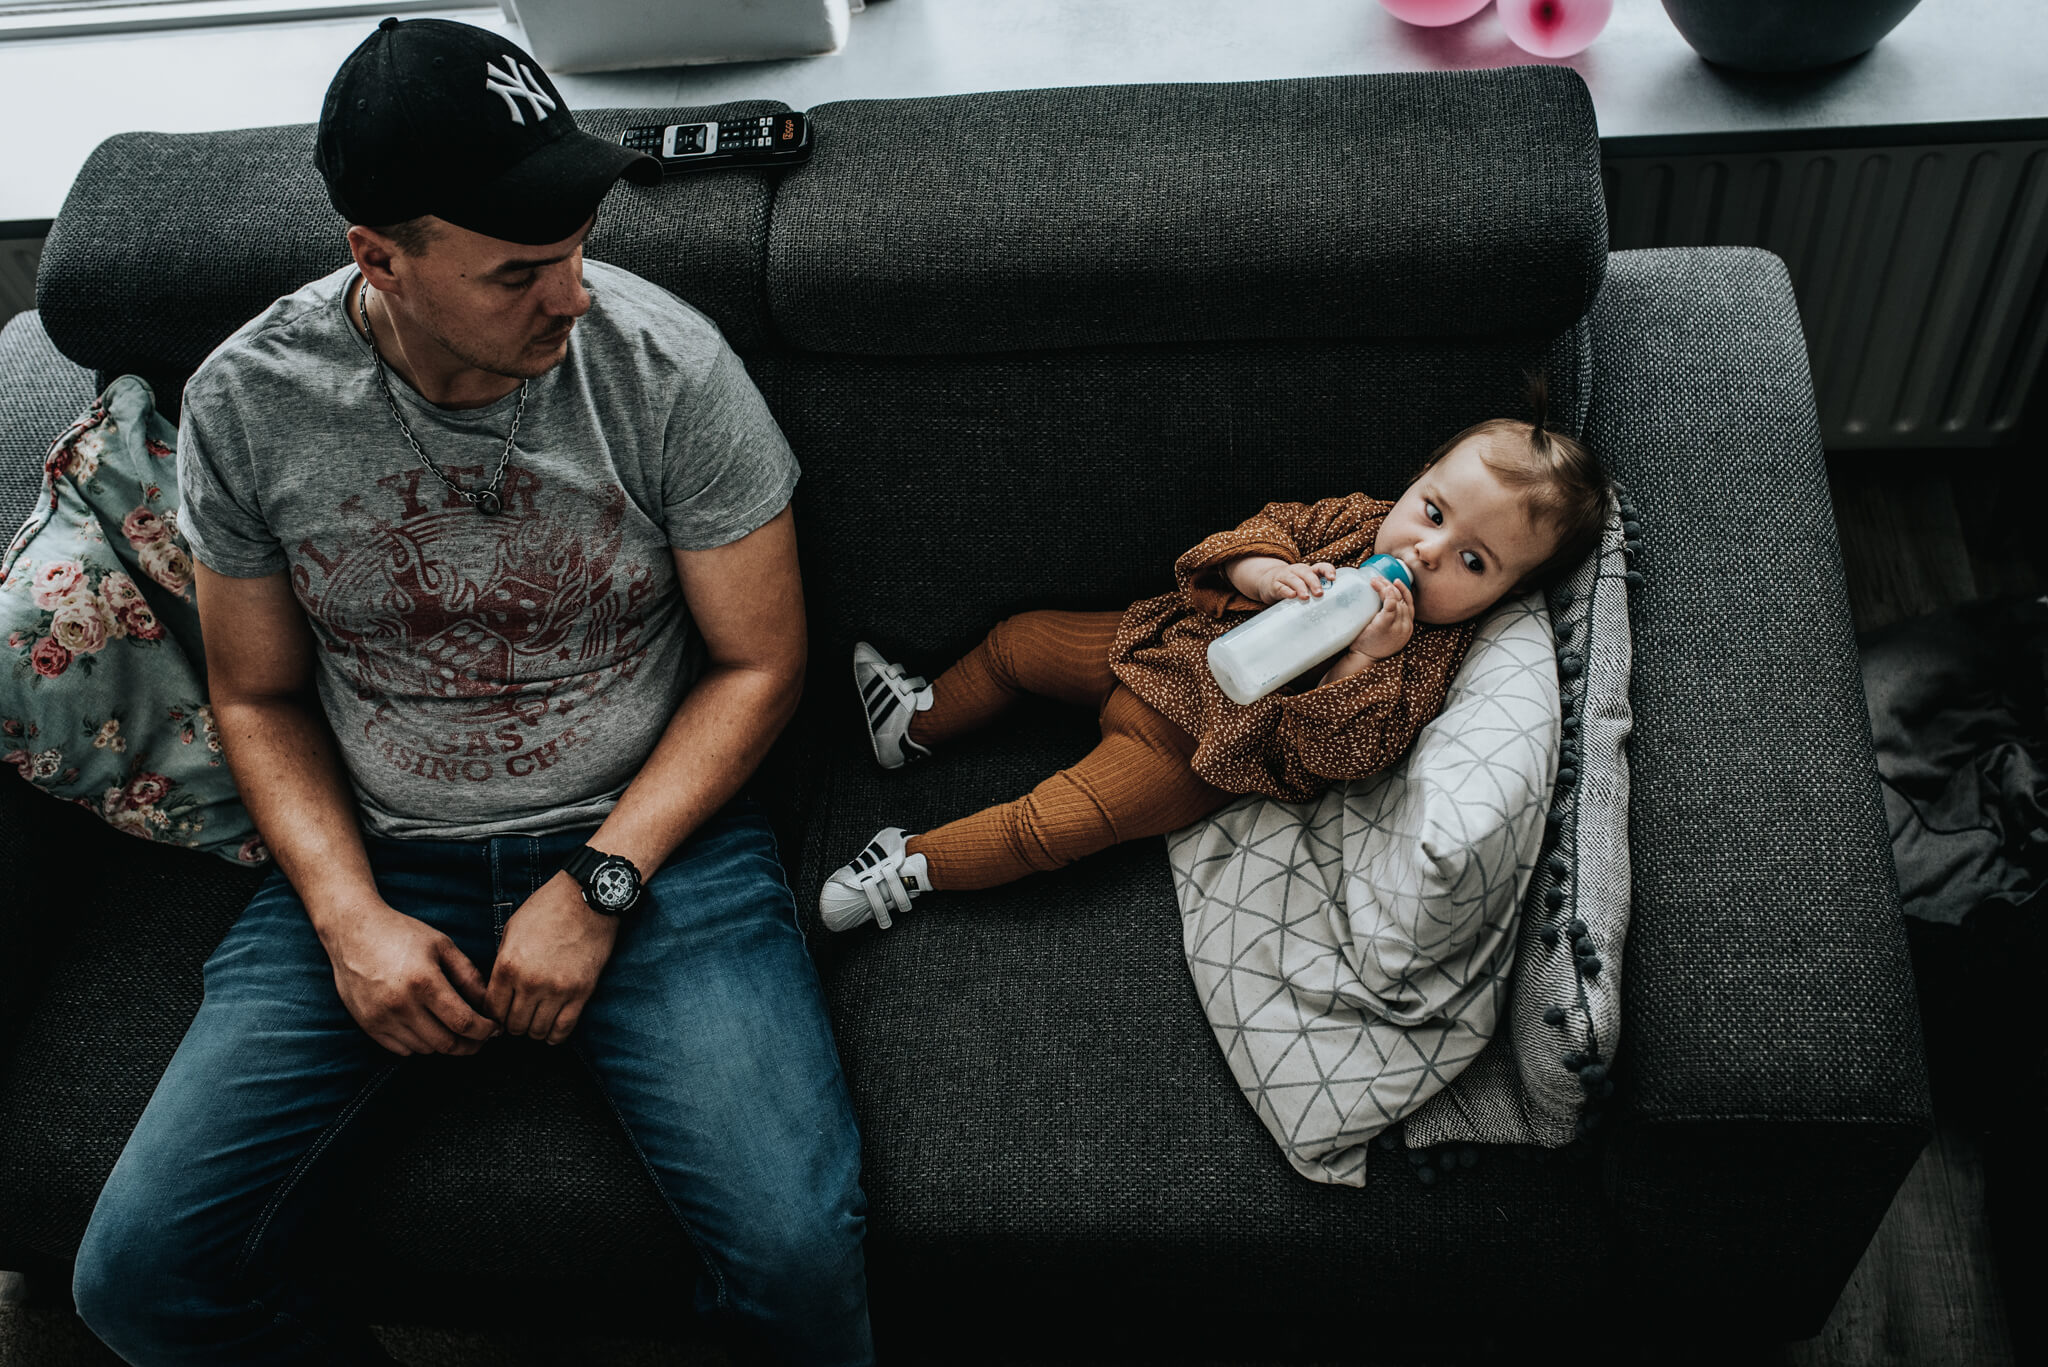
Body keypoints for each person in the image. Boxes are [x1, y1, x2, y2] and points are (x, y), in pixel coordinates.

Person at [70, 18, 873, 1366]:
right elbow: (256, 695)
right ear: (379, 257)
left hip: (649, 840)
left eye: (576, 249)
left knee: (798, 1259)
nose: (573, 296)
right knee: (136, 1280)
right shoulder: (250, 404)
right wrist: (347, 919)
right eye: (518, 272)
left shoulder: (666, 368)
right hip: (383, 847)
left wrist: (599, 883)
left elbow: (759, 664)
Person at [820, 396, 1609, 931]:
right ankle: (917, 722)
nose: (1427, 550)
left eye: (1473, 561)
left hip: (1193, 751)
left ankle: (911, 865)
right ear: (1416, 482)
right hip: (1155, 646)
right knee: (1017, 642)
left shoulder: (1425, 654)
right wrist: (1265, 574)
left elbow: (1339, 755)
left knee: (1052, 823)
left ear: (1509, 592)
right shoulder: (1354, 521)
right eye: (1432, 511)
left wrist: (1361, 659)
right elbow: (1256, 531)